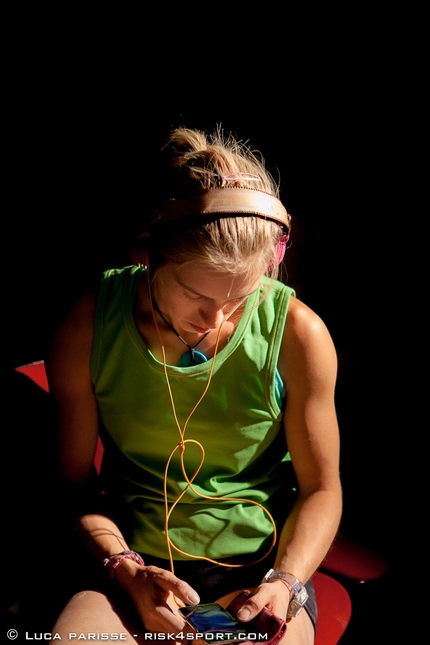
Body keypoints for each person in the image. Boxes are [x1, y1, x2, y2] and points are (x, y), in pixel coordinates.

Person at [47, 127, 341, 645]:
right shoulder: (89, 324)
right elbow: (73, 485)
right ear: (151, 255)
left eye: (239, 298)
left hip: (261, 569)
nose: (215, 318)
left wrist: (287, 583)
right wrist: (125, 569)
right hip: (129, 558)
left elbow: (322, 489)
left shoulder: (299, 333)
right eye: (194, 293)